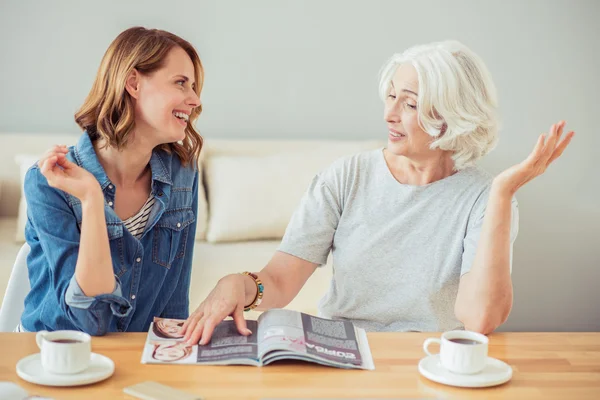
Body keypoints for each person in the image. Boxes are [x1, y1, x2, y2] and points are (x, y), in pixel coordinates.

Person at [180, 40, 574, 345]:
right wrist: (242, 285)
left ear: (453, 117)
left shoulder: (484, 199)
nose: (389, 114)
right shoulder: (345, 177)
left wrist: (502, 193)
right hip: (343, 351)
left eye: (411, 104)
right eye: (391, 96)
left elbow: (479, 319)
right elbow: (279, 282)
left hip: (429, 361)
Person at [18, 27, 204, 335]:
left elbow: (173, 304)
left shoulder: (182, 174)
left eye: (194, 87)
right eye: (181, 83)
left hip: (138, 357)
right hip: (55, 355)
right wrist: (91, 198)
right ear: (133, 83)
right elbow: (87, 320)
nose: (195, 100)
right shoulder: (47, 183)